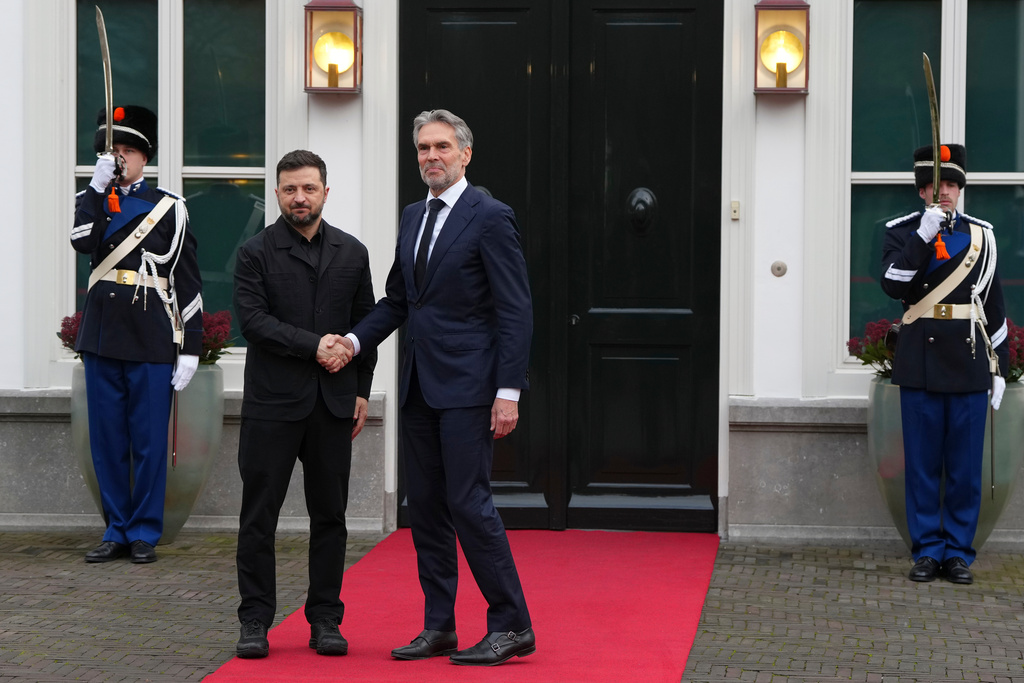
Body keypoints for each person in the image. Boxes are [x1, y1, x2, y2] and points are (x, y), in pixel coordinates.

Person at [340, 109, 535, 666]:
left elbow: (516, 310)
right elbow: (399, 302)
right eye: (423, 148)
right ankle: (439, 626)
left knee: (469, 504)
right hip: (419, 388)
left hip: (472, 389)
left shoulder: (491, 216)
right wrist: (353, 343)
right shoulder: (411, 216)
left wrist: (509, 391)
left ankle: (512, 624)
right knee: (425, 508)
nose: (431, 156)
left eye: (442, 147)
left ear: (465, 154)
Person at [232, 150, 377, 659]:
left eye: (309, 188)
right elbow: (252, 322)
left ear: (325, 192)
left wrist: (362, 388)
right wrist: (314, 345)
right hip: (272, 405)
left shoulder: (353, 253)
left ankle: (325, 621)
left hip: (333, 406)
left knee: (330, 518)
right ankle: (254, 621)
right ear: (277, 193)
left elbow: (367, 327)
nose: (300, 198)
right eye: (290, 189)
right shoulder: (254, 252)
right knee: (258, 518)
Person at [71, 105, 203, 565]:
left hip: (150, 333)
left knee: (148, 439)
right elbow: (82, 241)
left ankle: (145, 530)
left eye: (129, 150)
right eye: (115, 151)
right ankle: (116, 528)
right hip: (104, 334)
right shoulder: (91, 200)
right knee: (107, 440)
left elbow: (188, 282)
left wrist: (190, 347)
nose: (121, 158)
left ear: (145, 157)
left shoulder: (170, 207)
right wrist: (94, 186)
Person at [881, 143, 1009, 585]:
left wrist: (1000, 369)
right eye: (937, 186)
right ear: (922, 192)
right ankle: (927, 551)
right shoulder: (901, 232)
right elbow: (892, 285)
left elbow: (993, 304)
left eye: (952, 184)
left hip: (969, 360)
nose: (946, 192)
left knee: (964, 467)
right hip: (920, 360)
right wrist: (922, 237)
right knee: (921, 465)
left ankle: (958, 552)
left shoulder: (983, 236)